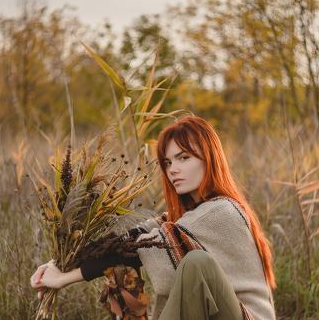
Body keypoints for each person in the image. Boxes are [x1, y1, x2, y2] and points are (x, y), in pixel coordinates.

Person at [30, 115, 276, 319]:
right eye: (168, 162)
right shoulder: (184, 217)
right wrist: (59, 263)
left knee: (196, 263)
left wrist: (64, 279)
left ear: (209, 158)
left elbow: (138, 249)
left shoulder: (221, 211)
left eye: (184, 158)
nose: (173, 170)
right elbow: (125, 242)